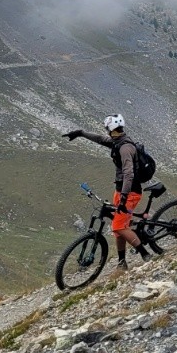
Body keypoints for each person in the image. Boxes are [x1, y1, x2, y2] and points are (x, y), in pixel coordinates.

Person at [64, 114, 150, 267]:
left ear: (111, 129)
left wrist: (124, 198)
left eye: (106, 129)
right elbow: (100, 139)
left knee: (119, 226)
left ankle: (146, 255)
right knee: (118, 230)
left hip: (130, 193)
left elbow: (129, 174)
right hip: (121, 191)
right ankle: (122, 261)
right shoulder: (116, 141)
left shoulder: (125, 148)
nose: (106, 131)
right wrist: (80, 133)